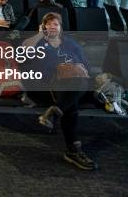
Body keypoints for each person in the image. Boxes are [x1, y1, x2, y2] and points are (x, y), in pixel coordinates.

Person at [22, 12, 97, 171]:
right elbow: (23, 52)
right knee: (73, 94)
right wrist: (39, 35)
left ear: (61, 27)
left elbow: (86, 65)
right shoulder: (38, 43)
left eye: (56, 24)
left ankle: (56, 112)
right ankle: (73, 150)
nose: (52, 27)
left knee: (76, 85)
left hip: (72, 84)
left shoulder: (70, 44)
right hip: (47, 84)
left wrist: (75, 68)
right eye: (48, 24)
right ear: (43, 27)